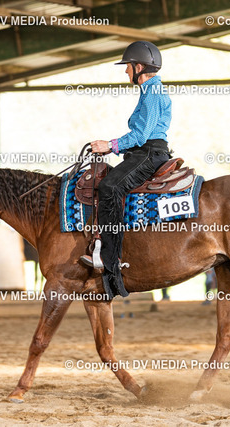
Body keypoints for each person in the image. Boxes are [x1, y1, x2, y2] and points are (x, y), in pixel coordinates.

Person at [80, 40, 172, 298]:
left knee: (109, 187)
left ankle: (109, 260)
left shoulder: (152, 92)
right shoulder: (150, 91)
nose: (125, 71)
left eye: (128, 66)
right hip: (145, 152)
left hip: (149, 153)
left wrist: (110, 146)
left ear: (139, 67)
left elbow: (141, 135)